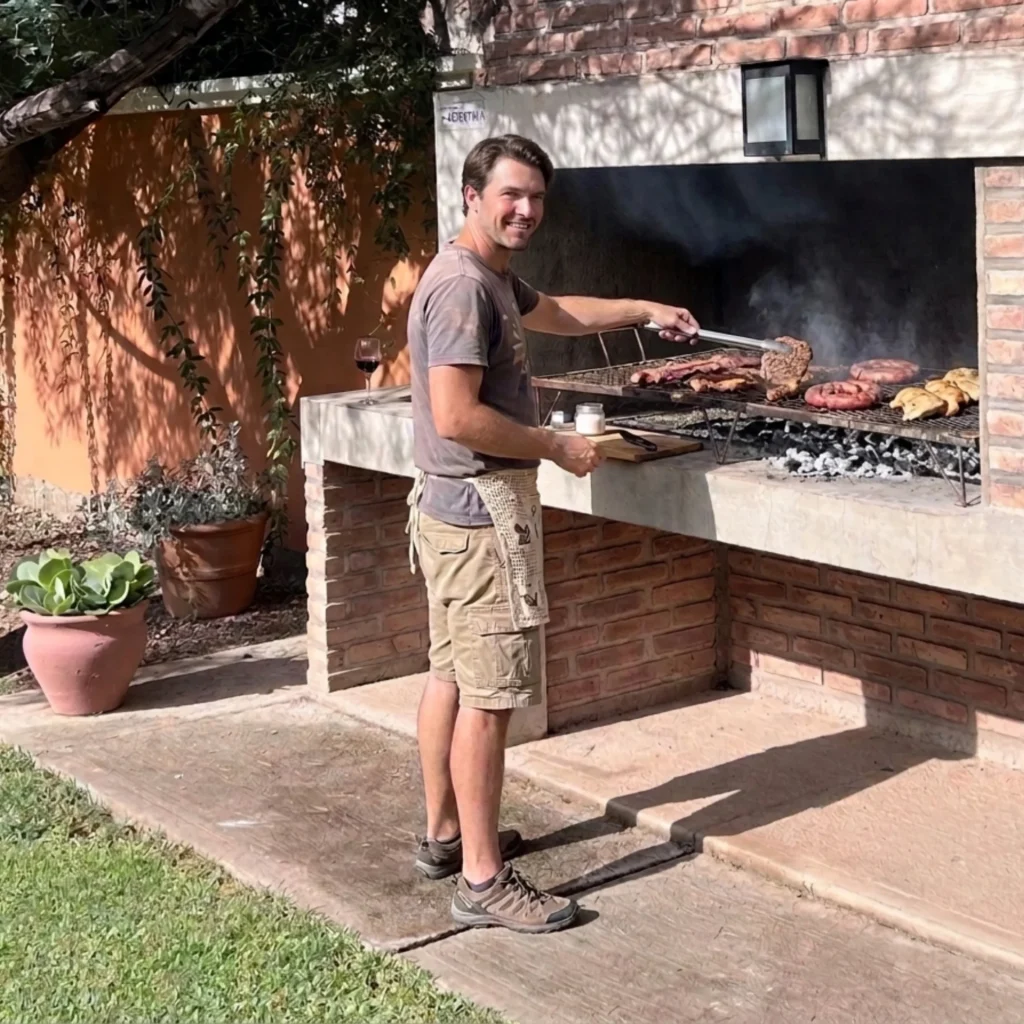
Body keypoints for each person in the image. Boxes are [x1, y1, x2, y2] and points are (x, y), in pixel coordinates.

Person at [406, 134, 700, 933]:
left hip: (450, 511)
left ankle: (444, 833)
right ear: (472, 194)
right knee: (491, 697)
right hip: (480, 520)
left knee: (453, 677)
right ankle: (481, 881)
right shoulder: (463, 290)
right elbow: (456, 414)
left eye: (536, 197)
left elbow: (560, 312)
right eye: (510, 195)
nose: (525, 210)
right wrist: (555, 445)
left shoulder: (488, 276)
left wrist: (646, 309)